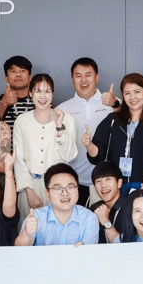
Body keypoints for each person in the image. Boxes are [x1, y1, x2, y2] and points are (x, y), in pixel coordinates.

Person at [85, 73, 143, 197]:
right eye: (127, 93)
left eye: (137, 92)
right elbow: (98, 156)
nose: (132, 97)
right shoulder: (113, 120)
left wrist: (142, 191)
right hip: (115, 187)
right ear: (123, 96)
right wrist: (89, 144)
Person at [12, 73, 78, 220]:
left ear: (52, 94)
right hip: (29, 186)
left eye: (47, 91)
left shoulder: (66, 119)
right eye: (38, 91)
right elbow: (18, 159)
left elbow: (70, 155)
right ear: (30, 93)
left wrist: (59, 126)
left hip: (59, 187)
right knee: (29, 228)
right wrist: (29, 191)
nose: (43, 96)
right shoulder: (22, 121)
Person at [59, 57, 118, 206]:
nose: (83, 80)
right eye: (78, 76)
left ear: (97, 77)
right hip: (74, 182)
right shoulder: (62, 109)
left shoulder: (113, 103)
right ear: (72, 79)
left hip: (108, 182)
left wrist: (116, 104)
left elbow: (131, 120)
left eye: (88, 75)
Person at [15, 163, 100, 246]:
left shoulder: (89, 218)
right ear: (48, 193)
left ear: (77, 189)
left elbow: (89, 252)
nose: (65, 193)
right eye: (57, 188)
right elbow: (19, 249)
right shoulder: (36, 217)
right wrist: (26, 233)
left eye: (70, 187)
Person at [88, 162, 125, 243]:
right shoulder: (94, 209)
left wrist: (105, 221)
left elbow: (126, 247)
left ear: (119, 183)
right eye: (98, 181)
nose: (103, 185)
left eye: (108, 179)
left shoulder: (131, 207)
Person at [0, 55, 35, 127]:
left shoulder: (38, 100)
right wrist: (4, 103)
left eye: (23, 70)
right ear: (6, 78)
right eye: (13, 71)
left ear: (30, 78)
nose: (18, 74)